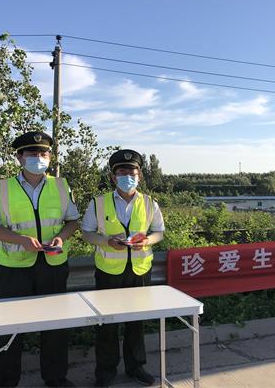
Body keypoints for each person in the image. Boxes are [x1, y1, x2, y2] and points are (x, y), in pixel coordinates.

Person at [0, 131, 80, 388]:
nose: (39, 157)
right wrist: (20, 240)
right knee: (10, 327)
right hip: (15, 268)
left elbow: (73, 221)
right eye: (32, 153)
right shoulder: (3, 188)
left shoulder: (61, 186)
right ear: (20, 157)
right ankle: (6, 382)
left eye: (43, 153)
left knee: (55, 325)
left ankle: (56, 378)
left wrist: (61, 238)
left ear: (50, 157)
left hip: (53, 265)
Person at [82, 149, 165, 387]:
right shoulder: (98, 203)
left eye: (132, 172)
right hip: (108, 271)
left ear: (139, 175)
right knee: (106, 322)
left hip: (140, 270)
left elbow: (159, 232)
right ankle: (105, 371)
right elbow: (87, 233)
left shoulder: (149, 202)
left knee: (136, 321)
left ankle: (135, 366)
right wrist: (105, 241)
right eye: (122, 172)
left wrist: (147, 241)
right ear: (113, 176)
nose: (127, 176)